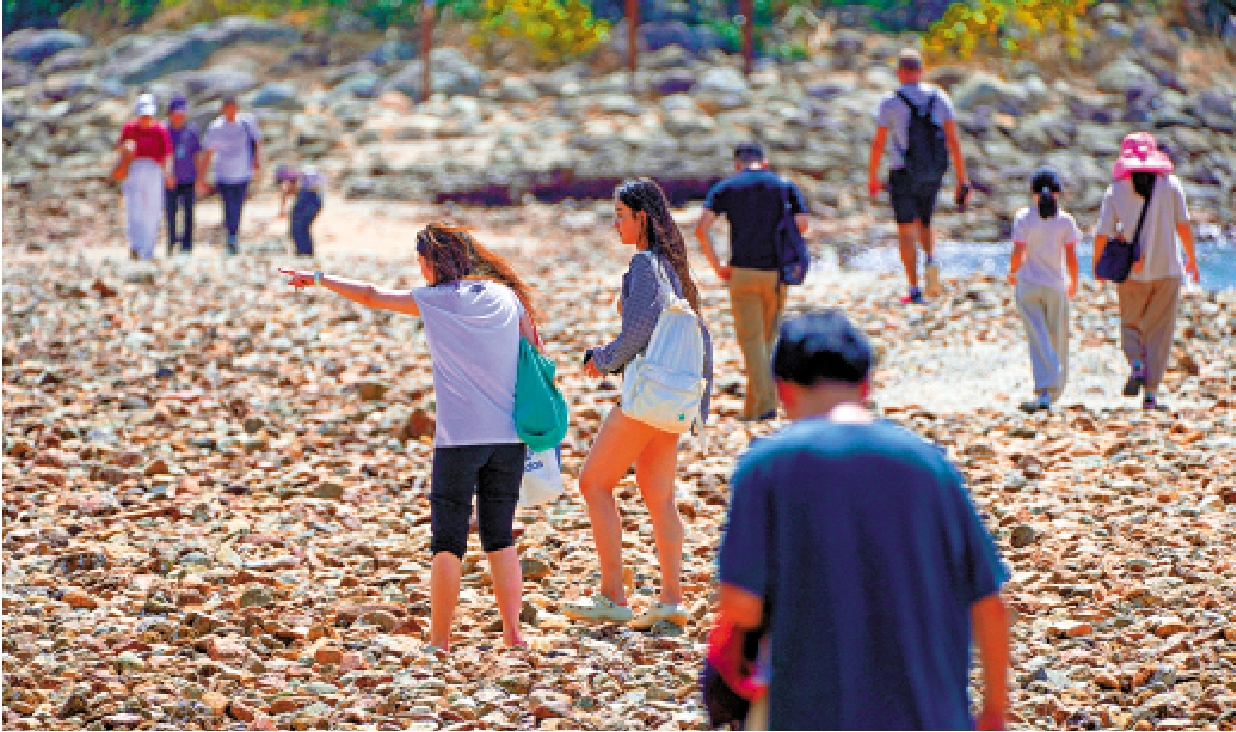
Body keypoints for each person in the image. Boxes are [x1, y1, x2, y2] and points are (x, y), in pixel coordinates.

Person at [716, 310, 1010, 730]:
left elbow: (740, 604)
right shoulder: (930, 467)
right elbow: (989, 604)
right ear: (866, 385)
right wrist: (994, 710)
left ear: (783, 391)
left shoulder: (766, 467)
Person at [280, 223, 540, 651]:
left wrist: (322, 279)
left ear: (428, 264)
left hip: (459, 441)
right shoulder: (506, 297)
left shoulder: (434, 300)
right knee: (500, 535)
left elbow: (371, 294)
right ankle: (515, 635)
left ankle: (440, 641)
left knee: (448, 540)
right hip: (509, 436)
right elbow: (534, 351)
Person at [564, 178, 714, 629]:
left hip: (646, 394)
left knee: (594, 482)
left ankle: (613, 594)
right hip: (673, 399)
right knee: (660, 497)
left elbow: (639, 331)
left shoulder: (646, 265)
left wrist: (603, 360)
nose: (615, 225)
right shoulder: (675, 268)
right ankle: (670, 599)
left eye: (620, 216)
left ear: (641, 217)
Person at [696, 142, 808, 421]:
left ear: (737, 164)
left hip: (742, 272)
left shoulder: (727, 187)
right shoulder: (784, 186)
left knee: (751, 341)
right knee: (767, 340)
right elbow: (803, 224)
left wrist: (716, 265)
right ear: (765, 162)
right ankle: (754, 407)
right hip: (776, 274)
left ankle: (765, 405)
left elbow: (701, 228)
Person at [1093, 132, 1200, 411]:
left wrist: (1097, 264)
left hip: (1131, 271)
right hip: (1168, 269)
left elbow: (1101, 234)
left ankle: (1137, 364)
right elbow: (1184, 226)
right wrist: (1192, 259)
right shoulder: (1171, 185)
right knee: (1159, 331)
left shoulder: (1116, 189)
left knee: (1130, 323)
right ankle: (1151, 395)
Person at [868, 48, 968, 304]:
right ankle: (931, 262)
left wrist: (873, 176)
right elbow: (953, 141)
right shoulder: (940, 97)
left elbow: (879, 143)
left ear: (899, 72)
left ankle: (914, 287)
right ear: (922, 71)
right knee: (926, 221)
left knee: (905, 230)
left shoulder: (890, 101)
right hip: (932, 172)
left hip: (902, 172)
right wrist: (961, 177)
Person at [1007, 167, 1080, 413]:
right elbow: (1071, 257)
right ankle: (1054, 388)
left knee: (1037, 336)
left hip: (1028, 282)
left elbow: (1018, 252)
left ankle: (1045, 390)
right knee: (1057, 336)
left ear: (1033, 193)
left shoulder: (1024, 217)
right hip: (1055, 284)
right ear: (1058, 192)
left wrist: (1012, 272)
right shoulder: (1065, 221)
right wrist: (1075, 281)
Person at [200, 95, 262, 255]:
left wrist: (257, 161)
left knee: (238, 204)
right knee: (228, 205)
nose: (231, 111)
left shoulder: (247, 123)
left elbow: (257, 141)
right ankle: (231, 236)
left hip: (242, 172)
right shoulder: (215, 127)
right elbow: (208, 152)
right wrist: (202, 176)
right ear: (223, 109)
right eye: (228, 107)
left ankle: (234, 235)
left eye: (233, 107)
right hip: (223, 173)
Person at [116, 94, 173, 261]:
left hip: (153, 171)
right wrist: (125, 149)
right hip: (133, 169)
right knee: (134, 209)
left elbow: (167, 154)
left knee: (152, 210)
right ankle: (136, 246)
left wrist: (168, 174)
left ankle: (148, 249)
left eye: (148, 115)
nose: (146, 119)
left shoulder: (160, 130)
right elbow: (119, 148)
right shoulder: (129, 128)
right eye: (143, 115)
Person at [165, 93, 203, 256]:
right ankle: (172, 241)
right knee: (171, 212)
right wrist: (167, 175)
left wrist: (200, 178)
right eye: (177, 113)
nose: (179, 116)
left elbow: (197, 155)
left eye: (182, 113)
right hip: (170, 180)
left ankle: (187, 245)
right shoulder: (163, 129)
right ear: (170, 112)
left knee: (188, 212)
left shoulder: (192, 130)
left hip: (188, 178)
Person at [278, 164, 325, 258]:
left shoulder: (290, 177)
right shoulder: (301, 176)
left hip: (308, 198)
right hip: (316, 200)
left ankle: (303, 251)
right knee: (303, 227)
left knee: (298, 226)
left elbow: (285, 191)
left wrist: (282, 209)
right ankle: (307, 251)